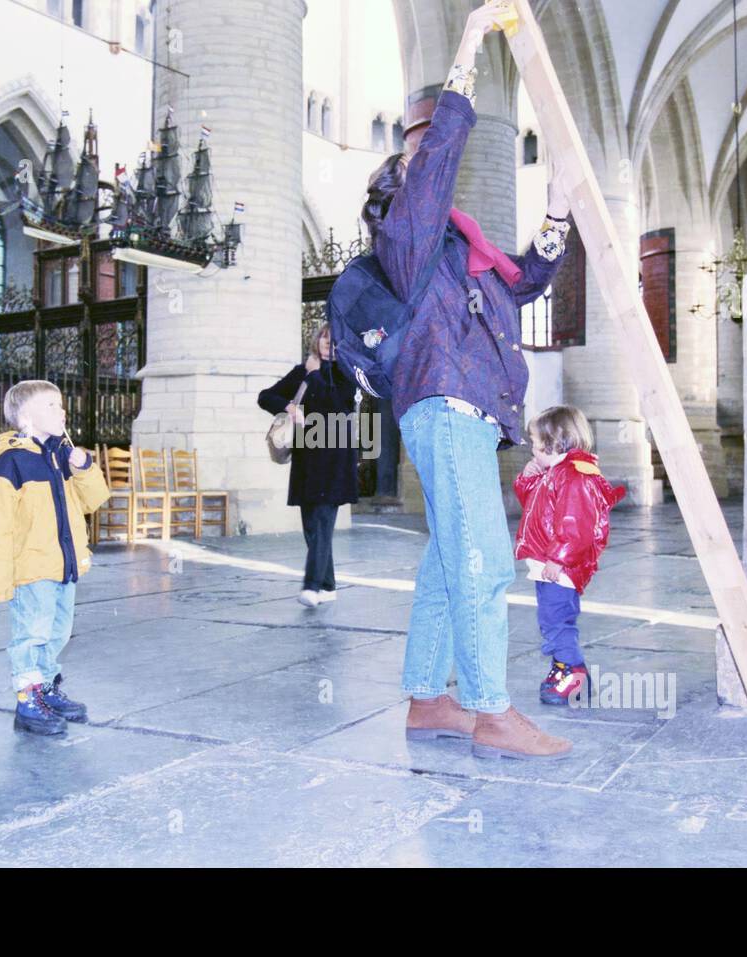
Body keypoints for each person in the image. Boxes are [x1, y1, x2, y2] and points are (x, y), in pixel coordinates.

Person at [368, 1, 576, 759]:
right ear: (399, 188)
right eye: (415, 164)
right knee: (484, 557)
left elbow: (526, 281)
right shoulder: (407, 236)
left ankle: (427, 698)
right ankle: (491, 707)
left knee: (447, 559)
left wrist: (556, 212)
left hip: (467, 414)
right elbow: (443, 151)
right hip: (445, 405)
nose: (432, 173)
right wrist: (466, 45)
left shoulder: (461, 260)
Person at [0, 381, 111, 735]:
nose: (62, 412)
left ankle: (47, 689)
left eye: (62, 405)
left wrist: (83, 468)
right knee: (31, 634)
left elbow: (93, 501)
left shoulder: (59, 457)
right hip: (31, 569)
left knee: (57, 633)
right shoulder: (12, 463)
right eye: (51, 406)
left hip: (62, 565)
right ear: (25, 418)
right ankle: (28, 699)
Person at [513, 406, 625, 706]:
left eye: (537, 446)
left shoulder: (574, 476)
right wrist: (528, 478)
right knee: (552, 619)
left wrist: (558, 558)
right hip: (549, 564)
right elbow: (537, 506)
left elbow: (575, 524)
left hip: (559, 567)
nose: (533, 452)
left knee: (557, 621)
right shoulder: (557, 472)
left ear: (555, 444)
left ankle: (573, 674)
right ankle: (563, 668)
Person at [258, 324, 360, 607]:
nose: (329, 344)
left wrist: (315, 375)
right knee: (310, 527)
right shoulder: (301, 372)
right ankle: (328, 585)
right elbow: (265, 396)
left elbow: (337, 406)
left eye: (334, 341)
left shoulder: (347, 374)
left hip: (336, 460)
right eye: (325, 338)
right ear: (317, 341)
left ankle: (311, 586)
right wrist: (288, 406)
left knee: (323, 523)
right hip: (307, 460)